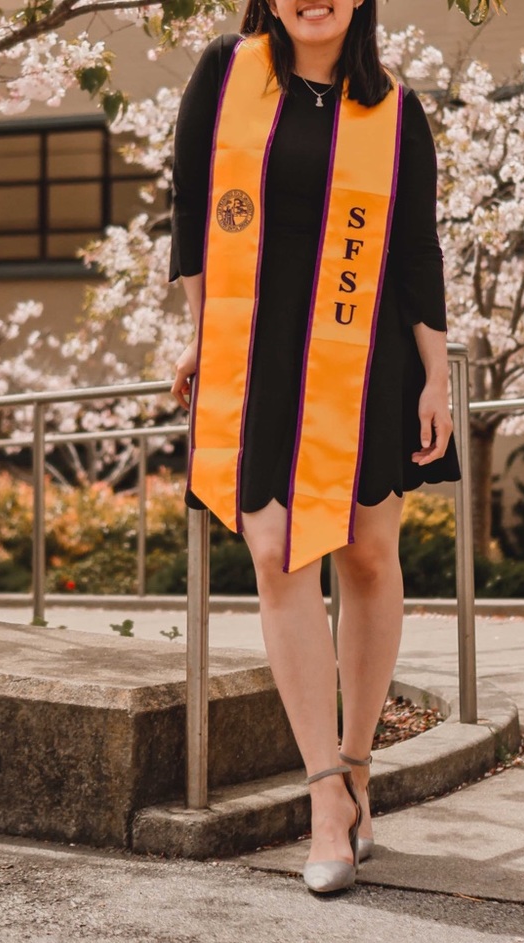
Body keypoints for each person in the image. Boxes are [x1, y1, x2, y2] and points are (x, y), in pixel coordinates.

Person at [169, 0, 460, 894]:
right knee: (275, 550)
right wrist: (195, 335)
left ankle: (361, 764)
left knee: (369, 557)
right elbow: (192, 215)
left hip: (363, 352)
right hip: (257, 347)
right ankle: (326, 797)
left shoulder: (394, 108)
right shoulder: (228, 73)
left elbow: (416, 248)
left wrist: (437, 378)